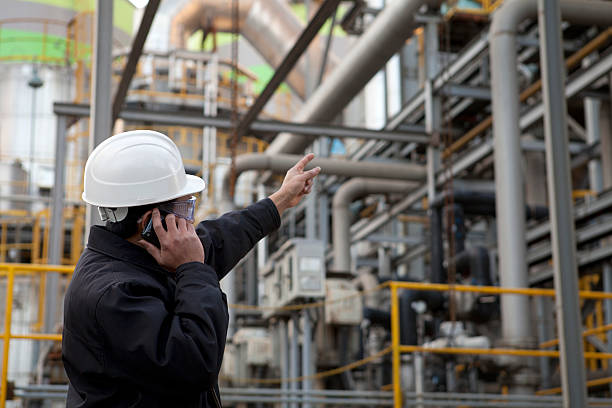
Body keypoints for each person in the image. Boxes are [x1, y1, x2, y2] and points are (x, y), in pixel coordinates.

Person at [62, 130, 320, 407]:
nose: (189, 219)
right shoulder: (115, 294)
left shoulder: (141, 255)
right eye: (183, 207)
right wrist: (192, 268)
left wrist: (280, 199)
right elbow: (196, 363)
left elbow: (219, 239)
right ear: (150, 220)